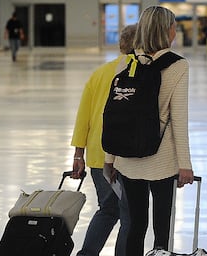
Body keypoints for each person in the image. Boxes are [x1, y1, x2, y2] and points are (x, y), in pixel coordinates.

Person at [105, 6, 193, 256]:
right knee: (162, 227)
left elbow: (113, 112)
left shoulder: (126, 61)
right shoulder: (178, 66)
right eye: (174, 26)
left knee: (135, 224)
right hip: (161, 160)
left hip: (127, 159)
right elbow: (178, 119)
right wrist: (184, 164)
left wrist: (109, 159)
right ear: (167, 31)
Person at [70, 24, 137, 256]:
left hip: (98, 155)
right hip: (127, 155)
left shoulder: (99, 74)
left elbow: (83, 117)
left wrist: (79, 154)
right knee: (130, 214)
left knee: (108, 208)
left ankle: (86, 254)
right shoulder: (141, 72)